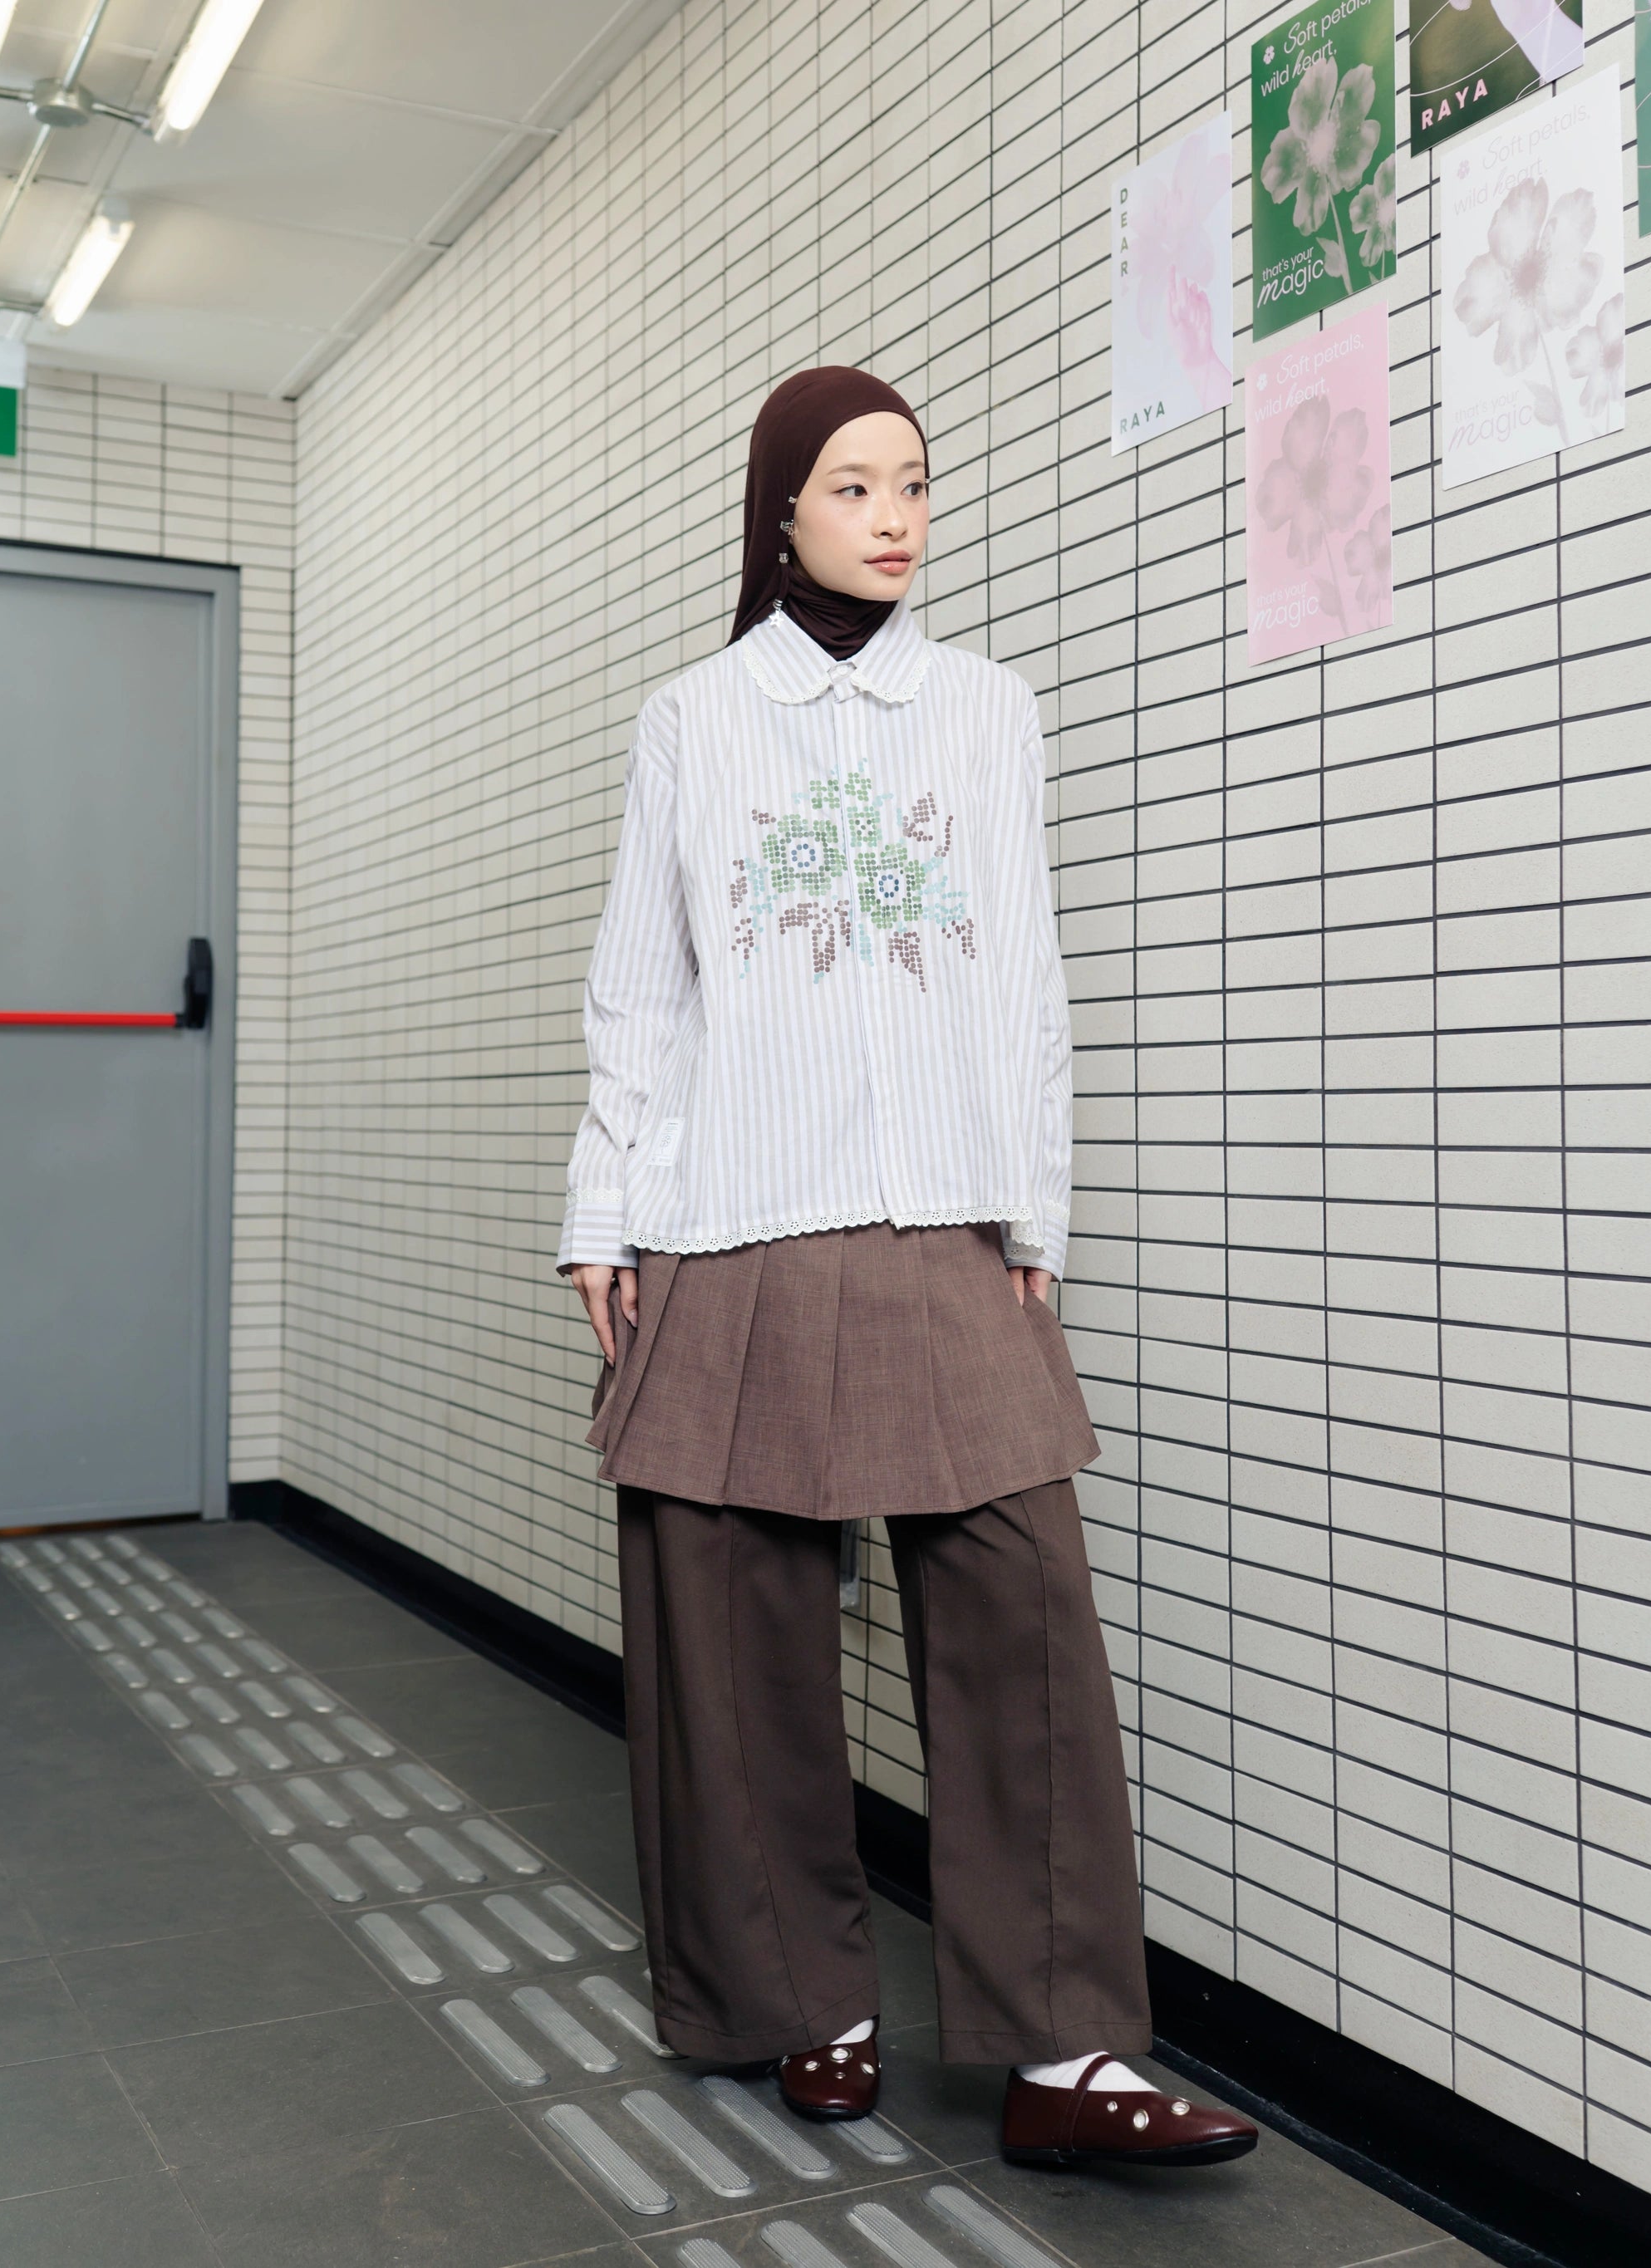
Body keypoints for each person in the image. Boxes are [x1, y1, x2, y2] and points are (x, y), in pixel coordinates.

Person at [558, 366, 1256, 2170]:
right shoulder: (693, 721)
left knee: (1018, 1619)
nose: (892, 514)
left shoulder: (988, 713)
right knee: (741, 1635)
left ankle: (1064, 2057)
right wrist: (602, 1217)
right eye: (852, 482)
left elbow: (1023, 978)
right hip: (734, 1219)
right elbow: (641, 989)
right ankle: (810, 2003)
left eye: (916, 485)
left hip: (943, 1213)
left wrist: (1036, 1214)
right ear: (777, 506)